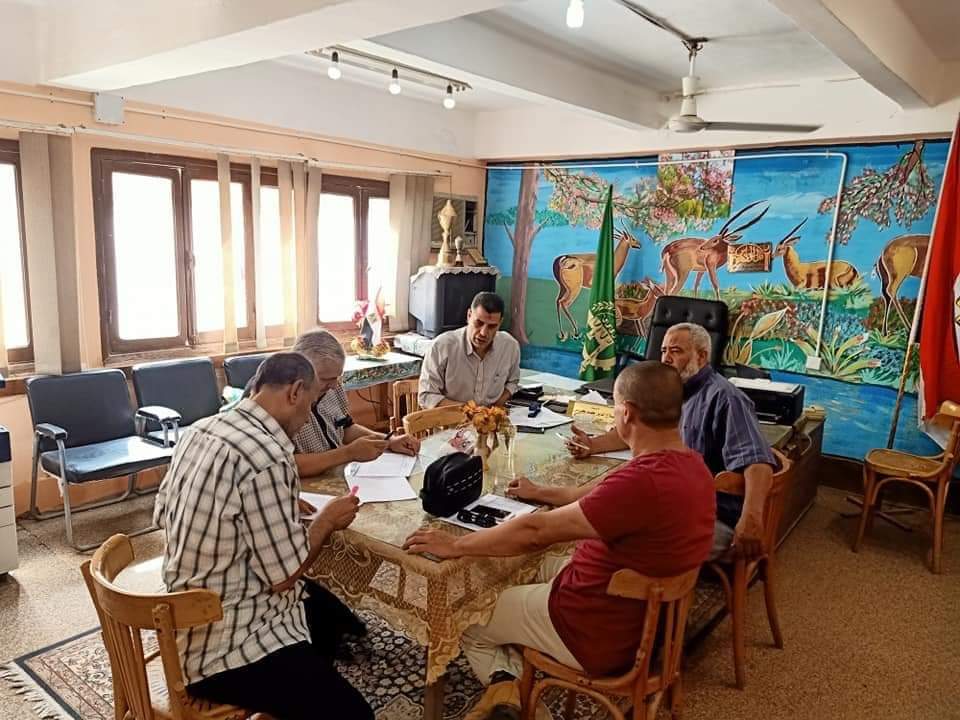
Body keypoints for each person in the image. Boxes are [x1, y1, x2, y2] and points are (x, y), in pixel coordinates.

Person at [405, 362, 715, 720]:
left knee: (466, 615)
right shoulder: (694, 466)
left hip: (594, 629)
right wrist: (541, 492)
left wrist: (455, 545)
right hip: (642, 614)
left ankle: (513, 693)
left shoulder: (640, 483)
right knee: (525, 567)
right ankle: (511, 682)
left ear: (627, 413)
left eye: (614, 407)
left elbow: (535, 533)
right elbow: (596, 498)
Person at [154, 352, 373, 720]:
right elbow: (283, 577)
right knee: (355, 715)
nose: (307, 418)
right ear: (295, 392)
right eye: (310, 405)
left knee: (329, 615)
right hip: (224, 646)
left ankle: (302, 688)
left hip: (185, 616)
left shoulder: (200, 430)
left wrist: (270, 504)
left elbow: (163, 513)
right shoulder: (268, 456)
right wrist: (326, 521)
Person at [564, 322, 776, 560]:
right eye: (663, 351)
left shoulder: (725, 398)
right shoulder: (669, 390)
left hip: (713, 514)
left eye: (675, 351)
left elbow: (758, 462)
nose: (665, 359)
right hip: (674, 497)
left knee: (614, 529)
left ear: (702, 356)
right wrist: (593, 445)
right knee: (607, 509)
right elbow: (641, 428)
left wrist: (751, 518)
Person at [279, 329, 420, 478]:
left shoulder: (333, 387)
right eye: (325, 379)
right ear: (301, 373)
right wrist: (348, 453)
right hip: (305, 483)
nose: (334, 386)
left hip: (335, 474)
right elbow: (286, 466)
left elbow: (345, 428)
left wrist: (389, 441)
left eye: (337, 377)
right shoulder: (282, 406)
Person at [418, 292, 521, 409]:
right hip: (451, 418)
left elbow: (512, 382)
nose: (483, 333)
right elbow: (426, 396)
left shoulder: (510, 346)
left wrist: (494, 408)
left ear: (500, 323)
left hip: (490, 417)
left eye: (492, 326)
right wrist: (471, 411)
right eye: (479, 323)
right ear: (469, 315)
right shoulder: (442, 346)